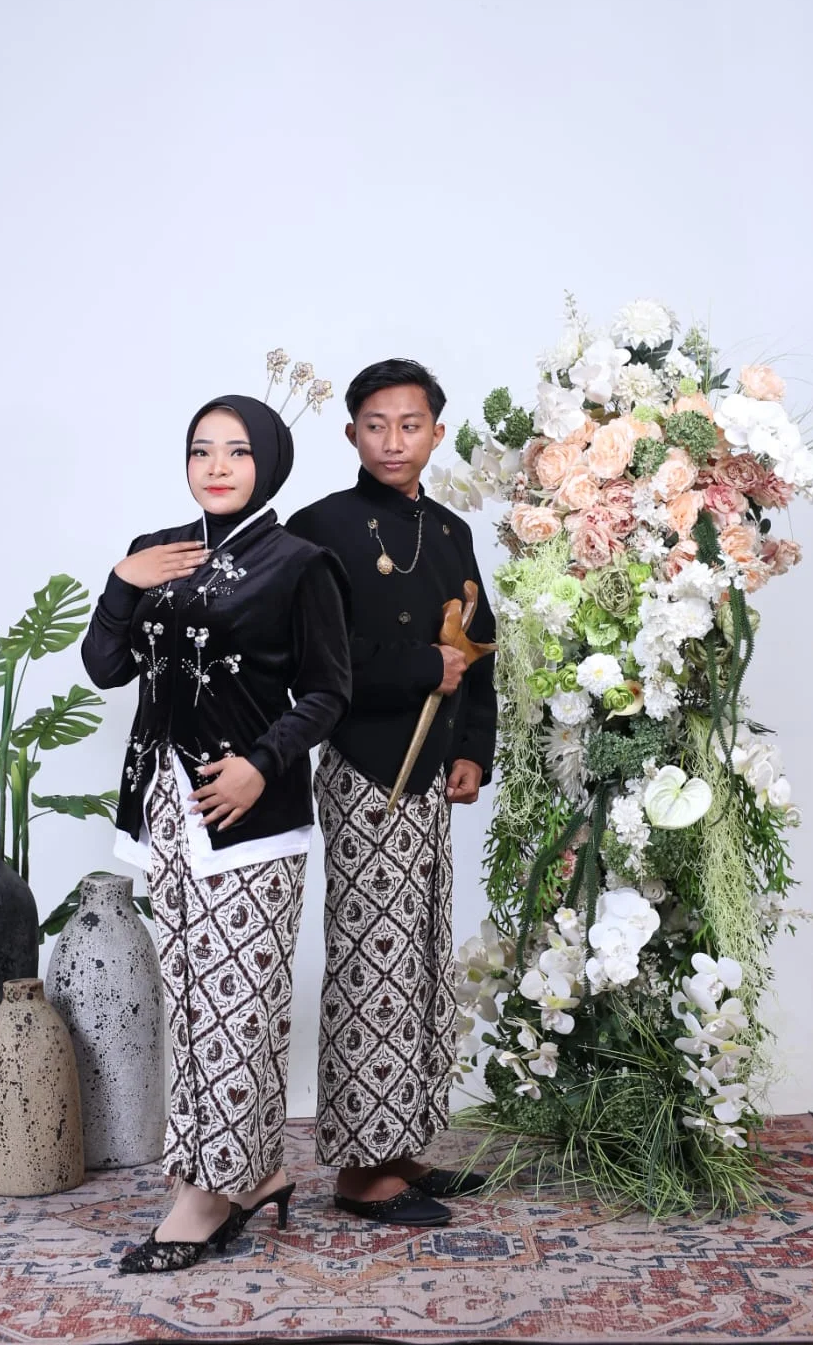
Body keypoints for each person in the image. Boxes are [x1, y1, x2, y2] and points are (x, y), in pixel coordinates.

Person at [82, 394, 351, 1274]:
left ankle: (209, 1193)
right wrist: (122, 583)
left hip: (247, 816)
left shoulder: (299, 563)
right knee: (194, 1002)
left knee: (240, 1006)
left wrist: (262, 765)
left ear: (269, 462)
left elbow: (328, 691)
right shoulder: (159, 550)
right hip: (164, 807)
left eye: (238, 451)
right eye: (202, 450)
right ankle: (248, 1171)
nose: (218, 466)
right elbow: (106, 666)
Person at [286, 358, 497, 1227]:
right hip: (368, 770)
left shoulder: (448, 530)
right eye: (375, 425)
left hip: (431, 777)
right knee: (373, 962)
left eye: (410, 425)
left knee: (418, 961)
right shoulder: (320, 527)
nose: (393, 441)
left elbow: (478, 649)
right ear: (351, 434)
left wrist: (473, 750)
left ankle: (399, 1143)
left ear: (436, 434)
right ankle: (360, 1174)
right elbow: (312, 661)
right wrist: (419, 665)